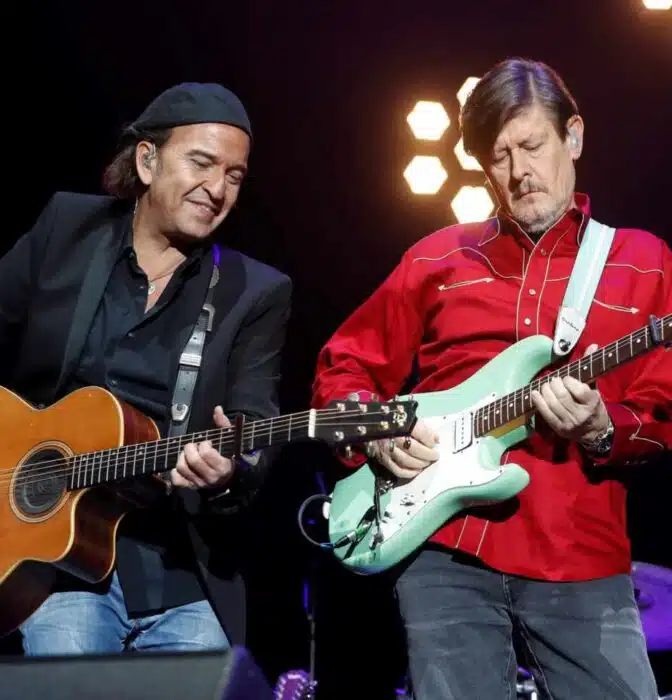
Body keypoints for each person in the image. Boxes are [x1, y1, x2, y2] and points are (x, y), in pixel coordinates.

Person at [311, 58, 671, 699]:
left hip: (579, 551)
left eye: (531, 145)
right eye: (498, 157)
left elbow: (663, 408)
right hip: (444, 548)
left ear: (573, 137)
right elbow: (346, 364)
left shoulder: (642, 261)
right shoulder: (437, 256)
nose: (518, 171)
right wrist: (378, 435)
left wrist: (601, 427)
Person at [0, 82, 292, 655]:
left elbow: (255, 427)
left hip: (182, 574)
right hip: (55, 562)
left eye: (234, 176)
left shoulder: (255, 291)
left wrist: (230, 469)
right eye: (202, 163)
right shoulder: (68, 228)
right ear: (147, 160)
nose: (217, 190)